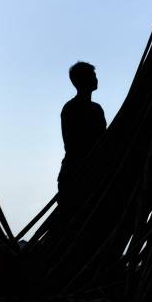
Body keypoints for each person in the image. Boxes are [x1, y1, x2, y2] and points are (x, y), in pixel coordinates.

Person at [58, 61, 106, 201]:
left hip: (89, 171)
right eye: (92, 75)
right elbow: (73, 145)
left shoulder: (96, 109)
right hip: (77, 173)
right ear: (82, 80)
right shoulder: (71, 109)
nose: (96, 79)